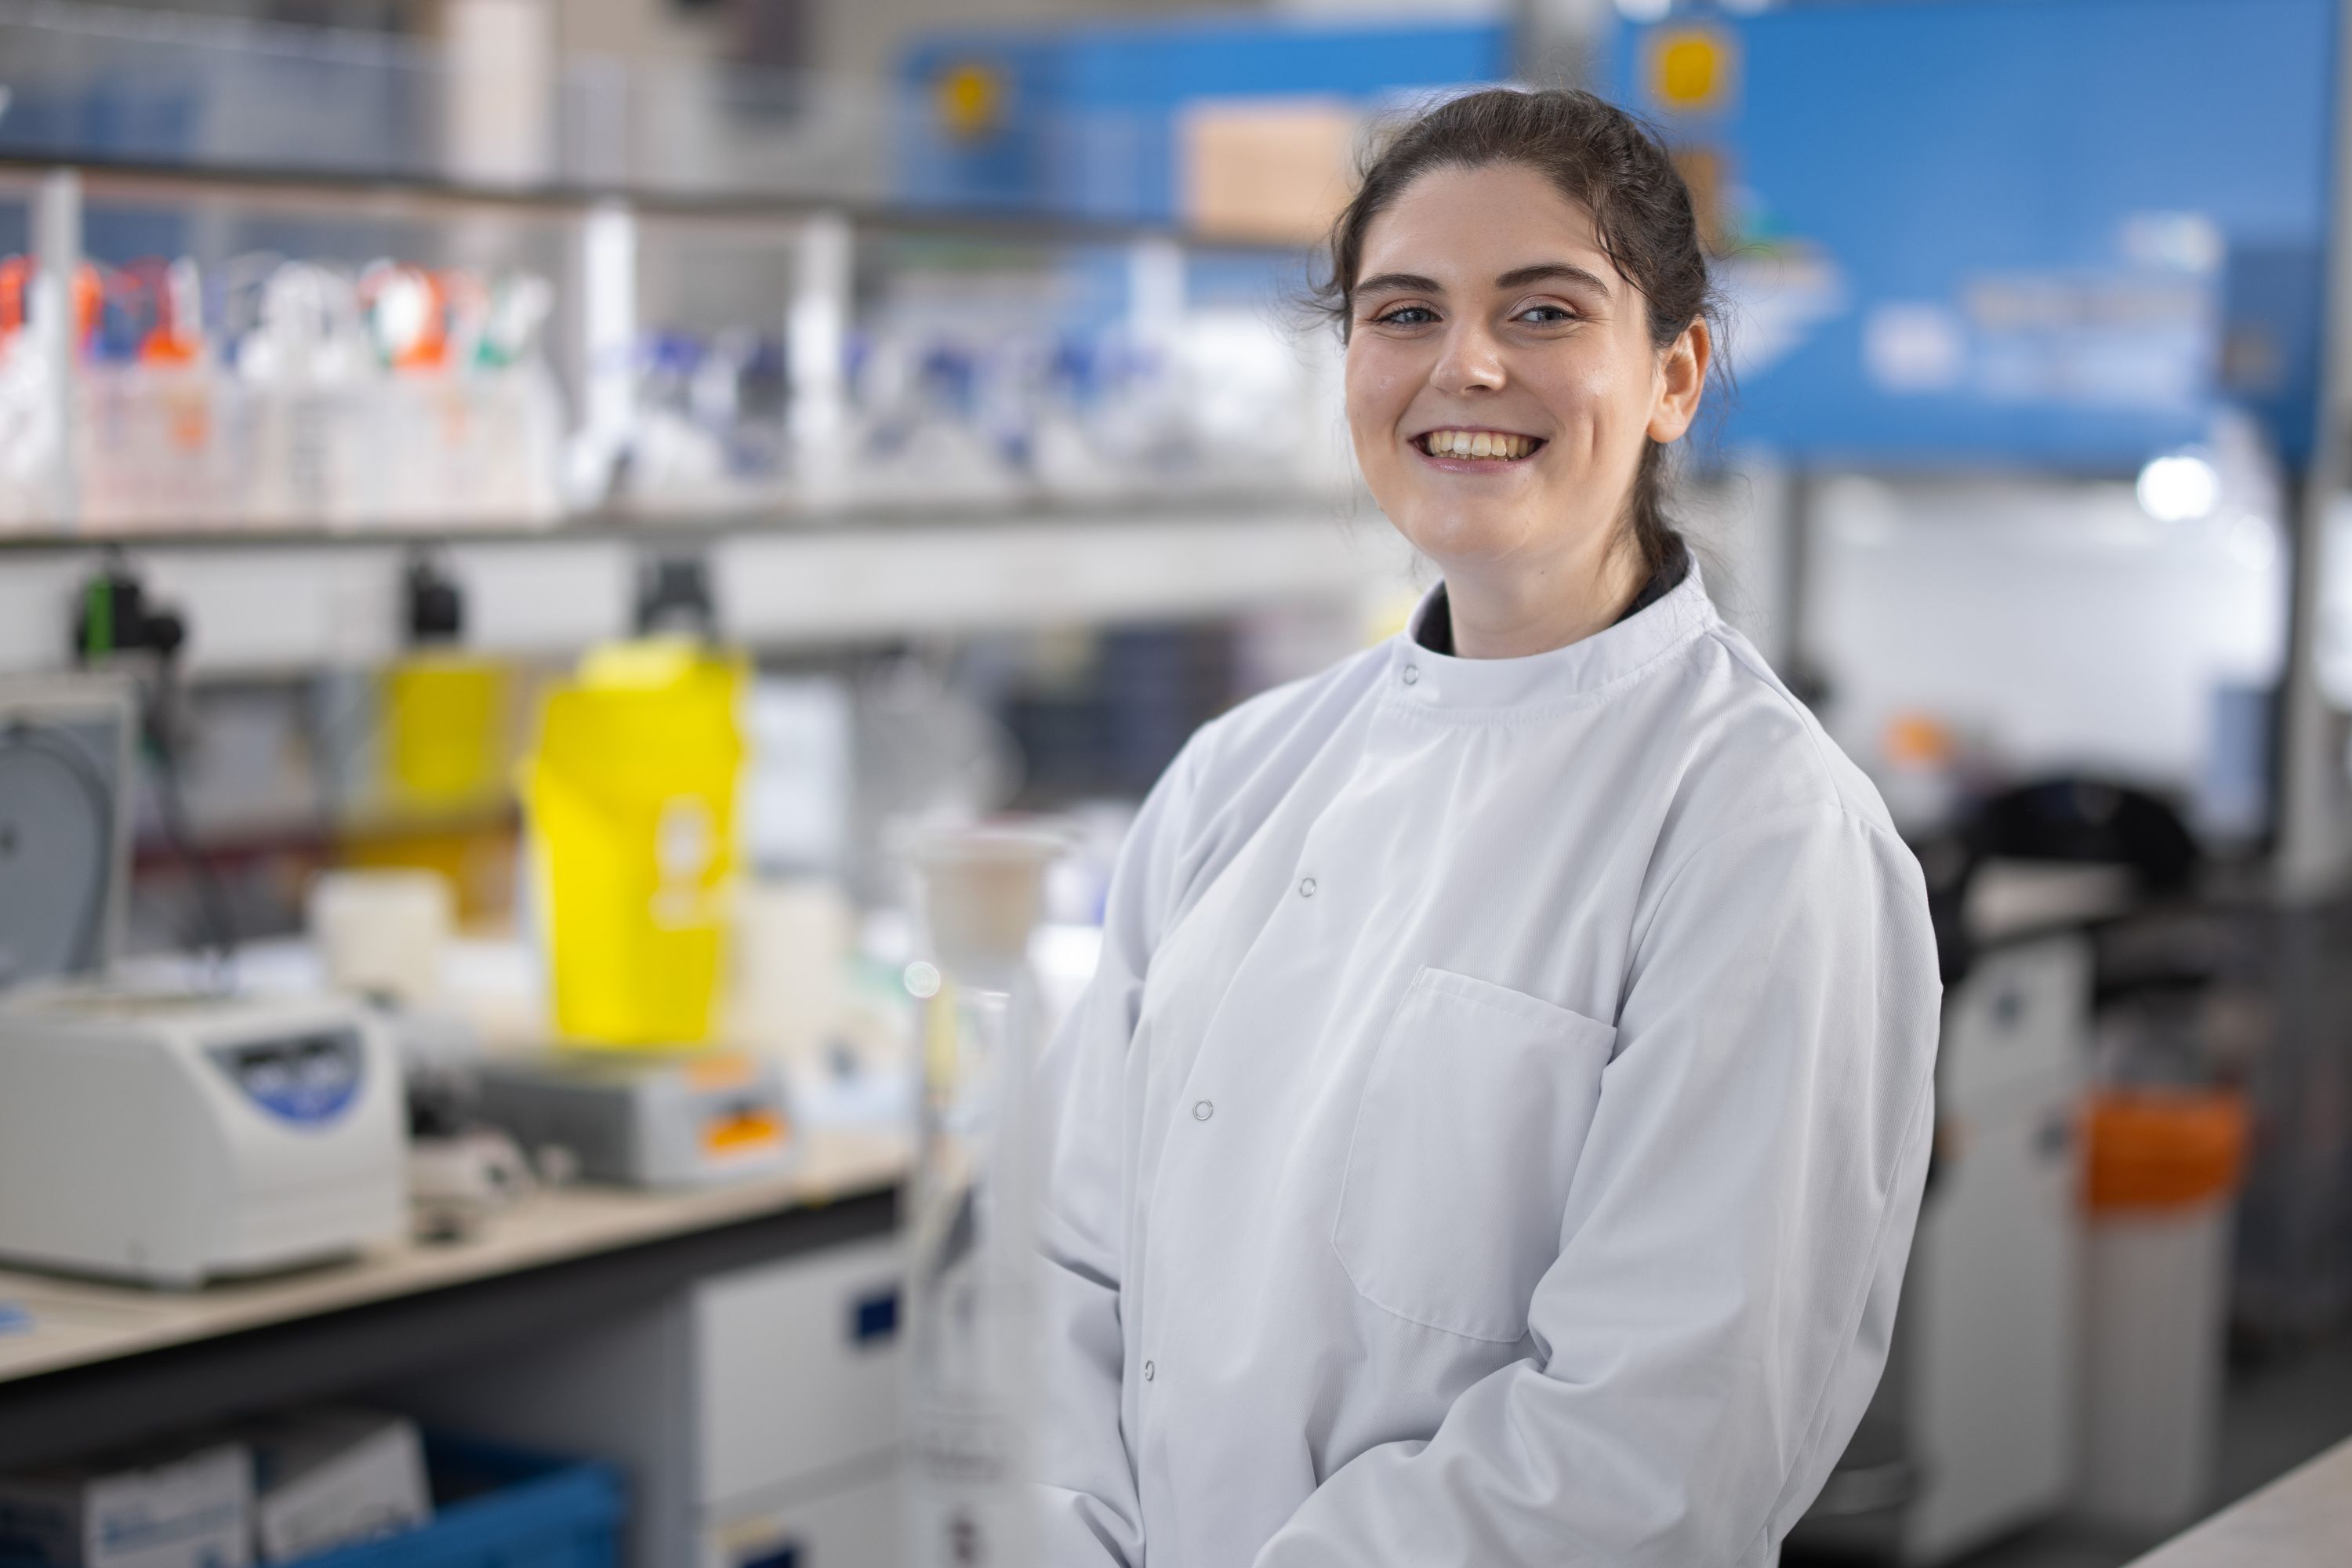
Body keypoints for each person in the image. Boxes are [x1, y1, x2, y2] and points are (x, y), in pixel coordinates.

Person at [1030, 86, 1940, 1567]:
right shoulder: (1232, 779)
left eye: (1543, 312)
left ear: (1676, 374)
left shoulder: (1762, 834)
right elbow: (1062, 1273)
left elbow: (1656, 1447)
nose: (1465, 365)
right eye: (1403, 313)